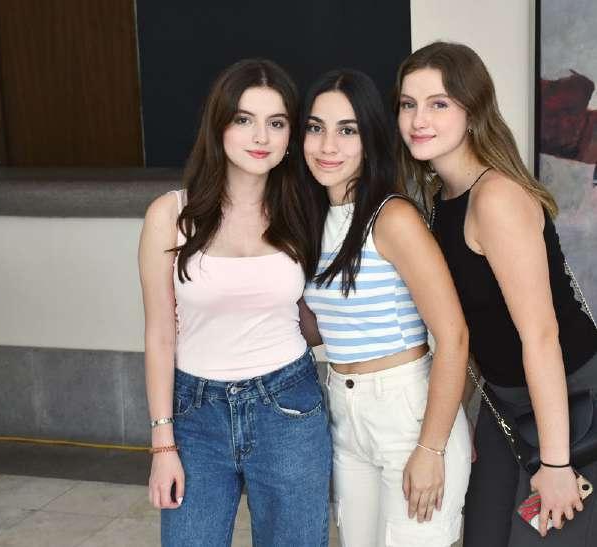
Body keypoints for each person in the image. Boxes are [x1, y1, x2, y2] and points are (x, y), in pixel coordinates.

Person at [395, 41, 597, 546]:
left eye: (439, 103)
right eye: (408, 103)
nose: (419, 119)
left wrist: (557, 463)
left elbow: (541, 335)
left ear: (473, 110)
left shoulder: (496, 198)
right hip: (505, 401)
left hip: (568, 399)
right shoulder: (442, 199)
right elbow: (470, 332)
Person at [138, 58, 331, 547]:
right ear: (219, 124)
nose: (260, 136)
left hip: (288, 407)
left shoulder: (305, 211)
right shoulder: (171, 215)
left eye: (276, 123)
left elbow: (318, 313)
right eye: (244, 119)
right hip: (195, 414)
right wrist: (163, 444)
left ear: (291, 136)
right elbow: (160, 336)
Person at [299, 68, 471, 547]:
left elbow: (454, 337)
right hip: (343, 409)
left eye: (347, 130)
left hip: (407, 413)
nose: (328, 146)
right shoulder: (313, 220)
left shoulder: (392, 217)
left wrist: (431, 447)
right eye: (316, 128)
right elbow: (322, 330)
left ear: (370, 138)